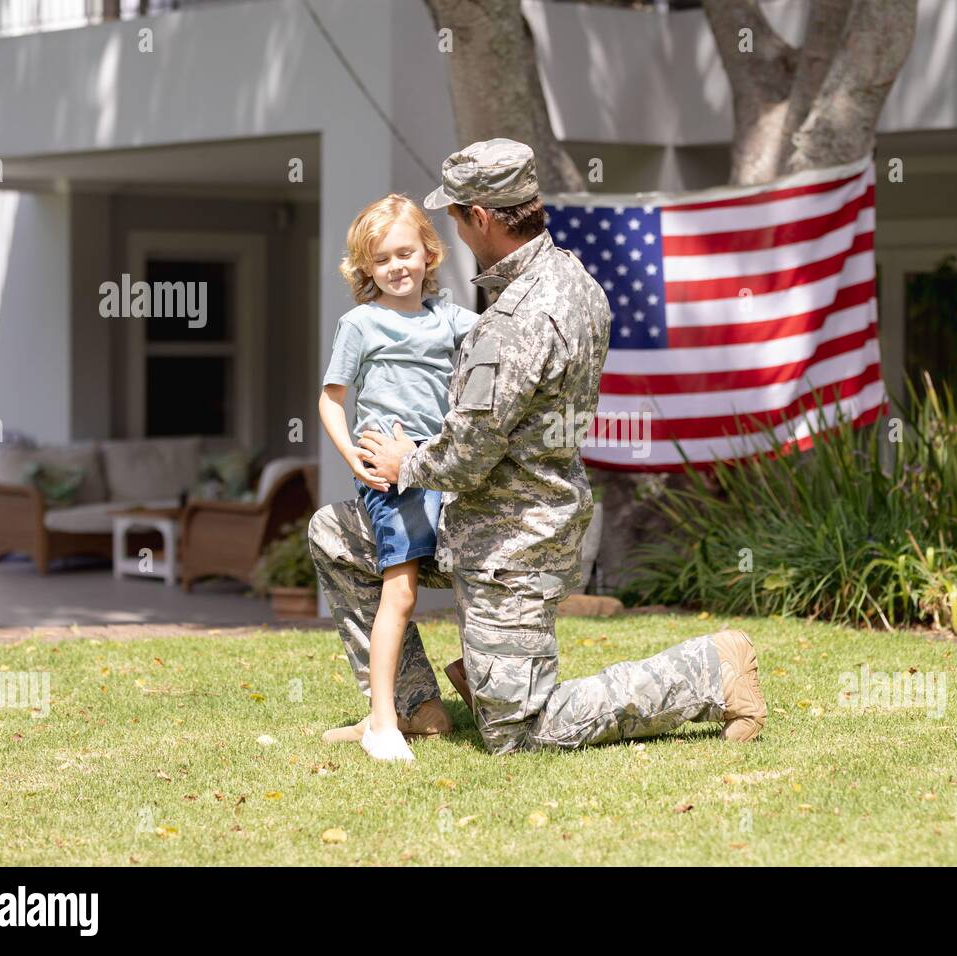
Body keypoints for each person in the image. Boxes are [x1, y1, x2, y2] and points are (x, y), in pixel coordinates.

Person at [312, 138, 766, 754]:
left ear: (482, 218)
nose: (453, 226)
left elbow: (467, 456)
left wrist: (403, 463)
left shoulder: (511, 323)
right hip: (482, 526)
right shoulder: (575, 280)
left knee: (520, 732)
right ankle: (416, 705)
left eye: (455, 214)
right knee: (336, 533)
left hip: (512, 543)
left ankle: (709, 669)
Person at [317, 193, 477, 761]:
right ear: (365, 269)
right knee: (401, 592)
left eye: (405, 253)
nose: (397, 267)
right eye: (382, 260)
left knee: (474, 573)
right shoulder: (361, 323)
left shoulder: (453, 318)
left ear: (429, 253)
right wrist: (353, 458)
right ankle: (384, 720)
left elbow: (501, 340)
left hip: (442, 469)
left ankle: (471, 693)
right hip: (393, 477)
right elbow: (331, 399)